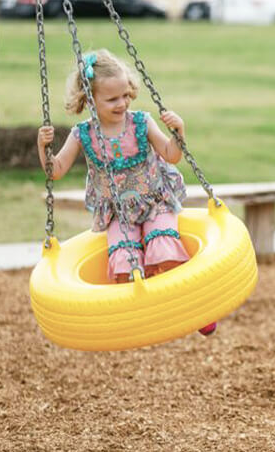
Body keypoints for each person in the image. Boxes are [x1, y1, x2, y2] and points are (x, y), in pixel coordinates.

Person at [36, 49, 216, 336]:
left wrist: (178, 133)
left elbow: (171, 155)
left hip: (155, 202)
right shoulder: (82, 134)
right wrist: (42, 146)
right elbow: (54, 171)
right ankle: (140, 318)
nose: (122, 103)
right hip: (118, 213)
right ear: (90, 100)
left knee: (163, 249)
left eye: (125, 95)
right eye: (112, 99)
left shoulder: (141, 122)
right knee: (123, 261)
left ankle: (194, 310)